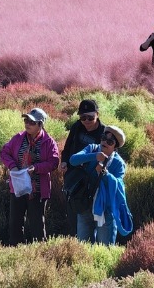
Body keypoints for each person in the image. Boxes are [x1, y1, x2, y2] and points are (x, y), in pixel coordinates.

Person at [0, 108, 59, 245]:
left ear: (40, 124)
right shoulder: (18, 138)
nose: (27, 124)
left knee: (37, 224)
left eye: (31, 122)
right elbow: (4, 152)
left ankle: (39, 254)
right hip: (18, 187)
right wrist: (12, 166)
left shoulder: (49, 142)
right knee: (15, 223)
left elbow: (54, 162)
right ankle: (16, 251)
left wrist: (36, 168)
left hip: (37, 189)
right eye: (26, 120)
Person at [69, 125, 132, 245]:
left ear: (115, 147)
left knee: (105, 248)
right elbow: (73, 160)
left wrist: (104, 174)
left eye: (110, 141)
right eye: (103, 138)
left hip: (105, 211)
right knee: (83, 248)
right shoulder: (92, 148)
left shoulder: (118, 164)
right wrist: (94, 156)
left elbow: (118, 186)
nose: (105, 142)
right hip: (84, 206)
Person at [60, 100, 107, 235]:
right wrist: (64, 162)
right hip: (74, 178)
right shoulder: (76, 127)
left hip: (91, 181)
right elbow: (68, 148)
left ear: (97, 115)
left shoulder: (104, 133)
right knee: (73, 212)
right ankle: (75, 244)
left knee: (91, 216)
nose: (86, 121)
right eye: (82, 118)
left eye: (90, 117)